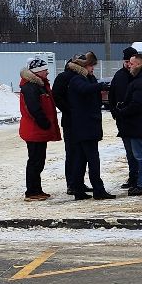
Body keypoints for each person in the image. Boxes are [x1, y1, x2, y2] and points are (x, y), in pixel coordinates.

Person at [58, 51, 113, 200]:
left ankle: (78, 190)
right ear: (83, 67)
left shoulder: (86, 78)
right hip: (85, 125)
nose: (92, 69)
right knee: (92, 159)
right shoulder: (77, 80)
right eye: (90, 66)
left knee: (81, 159)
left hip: (86, 125)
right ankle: (98, 189)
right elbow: (85, 90)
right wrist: (100, 86)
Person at [112, 47, 142, 196]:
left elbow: (137, 104)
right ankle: (141, 181)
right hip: (138, 123)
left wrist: (122, 112)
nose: (129, 66)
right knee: (141, 153)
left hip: (137, 124)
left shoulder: (141, 82)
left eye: (132, 63)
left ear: (138, 65)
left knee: (140, 155)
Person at [17, 57, 61, 201]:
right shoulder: (31, 87)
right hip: (34, 130)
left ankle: (37, 189)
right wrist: (44, 123)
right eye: (45, 69)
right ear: (37, 71)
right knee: (35, 161)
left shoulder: (38, 84)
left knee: (38, 160)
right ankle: (31, 192)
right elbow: (33, 109)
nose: (47, 72)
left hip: (38, 130)